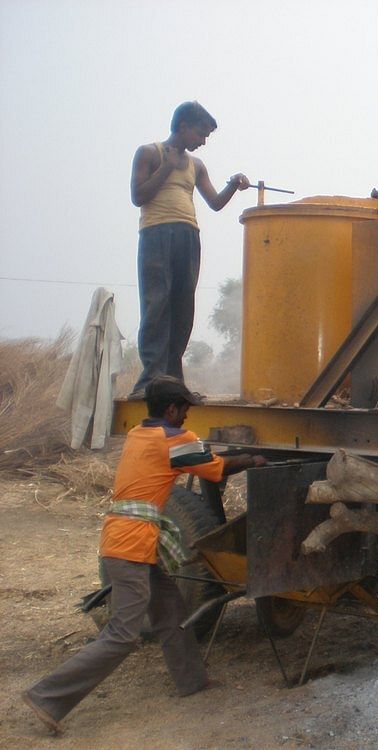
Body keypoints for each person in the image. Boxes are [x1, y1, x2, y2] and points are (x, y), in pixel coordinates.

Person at [23, 376, 266, 734]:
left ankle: (192, 681)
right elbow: (215, 467)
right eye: (184, 409)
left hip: (127, 539)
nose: (186, 416)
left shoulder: (141, 433)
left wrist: (227, 457)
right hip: (131, 545)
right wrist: (253, 459)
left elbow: (203, 458)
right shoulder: (173, 439)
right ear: (171, 409)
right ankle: (47, 698)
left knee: (169, 610)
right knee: (123, 634)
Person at [128, 101, 251, 398]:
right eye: (201, 133)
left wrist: (234, 185)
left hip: (188, 234)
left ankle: (172, 381)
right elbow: (138, 196)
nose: (203, 141)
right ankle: (150, 381)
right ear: (183, 127)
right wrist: (167, 168)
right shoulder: (150, 153)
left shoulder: (196, 166)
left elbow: (215, 203)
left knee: (183, 308)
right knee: (157, 303)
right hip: (157, 233)